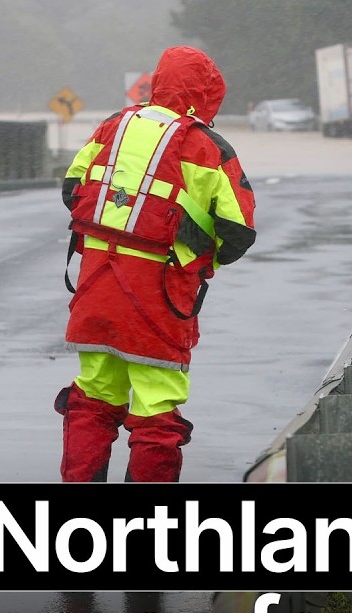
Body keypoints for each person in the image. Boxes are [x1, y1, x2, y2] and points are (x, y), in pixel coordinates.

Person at [56, 45, 257, 483]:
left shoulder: (114, 126)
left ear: (157, 81)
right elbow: (239, 231)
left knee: (93, 398)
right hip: (160, 298)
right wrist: (199, 254)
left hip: (96, 292)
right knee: (156, 412)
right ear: (207, 94)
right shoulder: (207, 145)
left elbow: (73, 189)